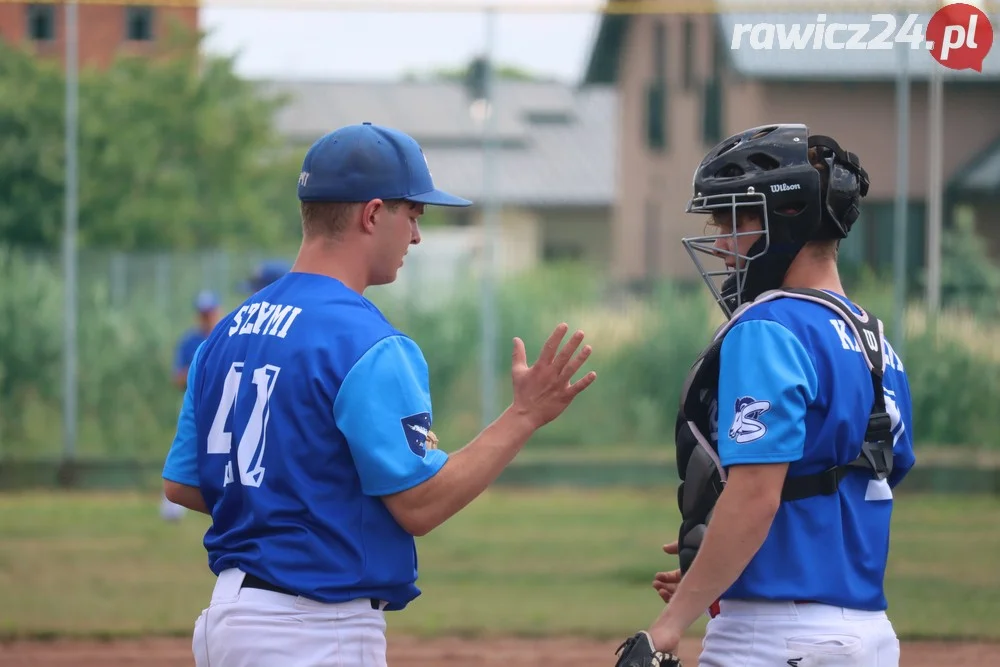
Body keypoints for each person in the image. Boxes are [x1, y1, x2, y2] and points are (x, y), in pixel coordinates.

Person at [160, 121, 597, 667]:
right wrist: (525, 415)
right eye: (412, 214)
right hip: (314, 627)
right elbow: (421, 502)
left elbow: (184, 485)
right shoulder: (366, 340)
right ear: (372, 214)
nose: (416, 235)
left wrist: (290, 502)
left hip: (228, 620)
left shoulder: (227, 331)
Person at [613, 124, 916, 667]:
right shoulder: (876, 342)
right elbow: (849, 488)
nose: (722, 242)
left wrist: (670, 623)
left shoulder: (769, 326)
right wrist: (727, 566)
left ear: (787, 218)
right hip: (870, 637)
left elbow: (756, 496)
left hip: (775, 638)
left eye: (734, 219)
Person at [161, 290, 223, 521]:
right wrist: (197, 372)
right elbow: (177, 377)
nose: (206, 317)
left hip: (221, 403)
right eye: (202, 313)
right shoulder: (190, 341)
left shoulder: (225, 334)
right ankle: (172, 507)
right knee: (184, 451)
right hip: (195, 402)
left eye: (210, 312)